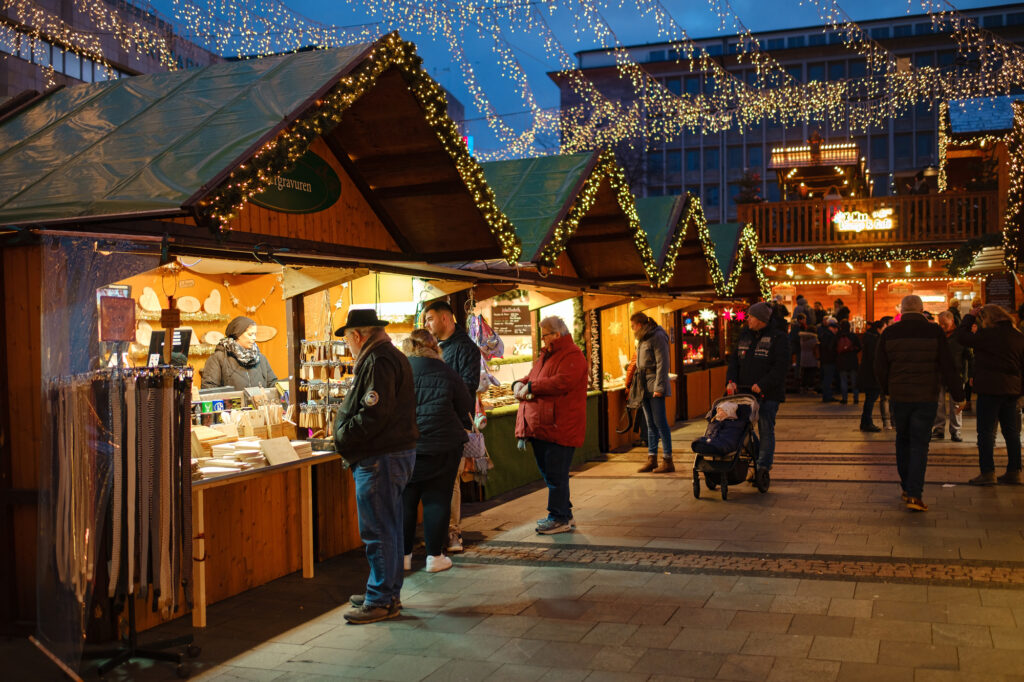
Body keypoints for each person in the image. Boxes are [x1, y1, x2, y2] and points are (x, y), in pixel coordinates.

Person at [333, 309, 417, 624]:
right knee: (389, 528)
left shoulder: (378, 361)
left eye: (346, 341)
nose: (347, 347)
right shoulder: (388, 356)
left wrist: (343, 435)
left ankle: (380, 598)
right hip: (392, 454)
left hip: (380, 457)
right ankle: (385, 590)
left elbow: (374, 413)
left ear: (357, 335)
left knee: (379, 530)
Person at [874, 295, 965, 512]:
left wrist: (887, 390)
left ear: (902, 311)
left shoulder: (889, 332)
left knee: (903, 440)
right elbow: (948, 365)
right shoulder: (934, 332)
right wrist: (959, 395)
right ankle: (915, 494)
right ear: (922, 310)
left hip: (900, 397)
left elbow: (879, 366)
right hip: (926, 397)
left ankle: (906, 488)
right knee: (919, 445)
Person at [399, 329, 474, 574]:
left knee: (407, 501)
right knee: (437, 499)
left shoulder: (400, 372)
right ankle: (434, 557)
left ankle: (404, 557)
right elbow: (465, 405)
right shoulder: (447, 372)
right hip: (443, 446)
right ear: (435, 348)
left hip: (408, 446)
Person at [514, 316, 588, 534]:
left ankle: (558, 518)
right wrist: (520, 383)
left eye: (544, 334)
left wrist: (532, 387)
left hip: (560, 425)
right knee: (551, 474)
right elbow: (534, 376)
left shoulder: (572, 355)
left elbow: (562, 381)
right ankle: (565, 513)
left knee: (556, 474)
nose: (542, 339)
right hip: (544, 426)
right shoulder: (547, 355)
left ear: (557, 334)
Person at [422, 300, 480, 554]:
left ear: (446, 318)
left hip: (455, 424)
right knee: (434, 481)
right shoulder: (431, 349)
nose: (426, 324)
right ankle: (437, 533)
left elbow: (468, 386)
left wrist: (440, 397)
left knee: (452, 481)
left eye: (430, 318)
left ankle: (453, 533)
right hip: (430, 427)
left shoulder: (466, 348)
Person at [955, 304, 1024, 485]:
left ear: (988, 318)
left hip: (989, 389)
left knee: (985, 433)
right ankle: (1015, 471)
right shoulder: (1018, 336)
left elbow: (961, 337)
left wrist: (969, 317)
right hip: (1011, 390)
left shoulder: (988, 335)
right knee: (1012, 433)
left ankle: (987, 472)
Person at [726, 301, 789, 492]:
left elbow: (780, 367)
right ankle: (758, 456)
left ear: (761, 319)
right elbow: (734, 361)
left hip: (768, 394)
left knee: (765, 428)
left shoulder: (779, 338)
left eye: (751, 316)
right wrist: (731, 380)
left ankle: (762, 466)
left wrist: (762, 384)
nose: (748, 319)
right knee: (743, 429)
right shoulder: (745, 335)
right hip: (744, 393)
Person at [631, 312, 674, 474]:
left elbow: (663, 363)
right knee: (650, 424)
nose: (632, 329)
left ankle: (668, 459)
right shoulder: (642, 338)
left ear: (640, 325)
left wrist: (659, 387)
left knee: (660, 423)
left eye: (633, 326)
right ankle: (652, 458)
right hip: (643, 385)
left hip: (654, 384)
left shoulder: (657, 336)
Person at [201, 316, 278, 390]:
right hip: (230, 403)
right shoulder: (218, 358)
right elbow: (209, 388)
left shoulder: (261, 358)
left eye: (255, 334)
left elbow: (272, 383)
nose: (254, 338)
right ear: (237, 334)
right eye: (250, 334)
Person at [933, 312, 967, 442]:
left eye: (944, 323)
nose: (942, 326)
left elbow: (968, 357)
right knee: (938, 402)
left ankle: (956, 430)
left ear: (952, 320)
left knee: (956, 404)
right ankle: (939, 429)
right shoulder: (938, 334)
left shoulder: (960, 335)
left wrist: (967, 374)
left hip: (956, 373)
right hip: (939, 372)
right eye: (940, 323)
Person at [858, 320, 883, 432]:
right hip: (872, 376)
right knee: (871, 399)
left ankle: (865, 422)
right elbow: (875, 359)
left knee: (869, 399)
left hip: (867, 374)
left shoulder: (869, 338)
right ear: (879, 328)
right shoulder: (875, 340)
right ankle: (867, 423)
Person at [836, 320, 861, 405]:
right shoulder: (853, 336)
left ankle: (844, 398)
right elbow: (859, 347)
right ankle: (856, 398)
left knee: (843, 380)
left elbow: (834, 347)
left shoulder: (838, 336)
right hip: (852, 360)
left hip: (841, 360)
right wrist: (853, 350)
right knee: (854, 380)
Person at [818, 318, 839, 403]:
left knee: (826, 378)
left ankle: (826, 395)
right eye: (836, 329)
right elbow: (830, 348)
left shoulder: (824, 334)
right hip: (829, 360)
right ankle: (827, 396)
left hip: (824, 360)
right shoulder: (830, 336)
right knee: (828, 379)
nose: (837, 331)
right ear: (832, 328)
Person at [798, 323, 819, 394]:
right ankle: (810, 388)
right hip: (812, 357)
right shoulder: (814, 339)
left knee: (804, 373)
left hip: (803, 357)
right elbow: (816, 348)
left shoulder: (802, 338)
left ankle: (803, 387)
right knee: (811, 374)